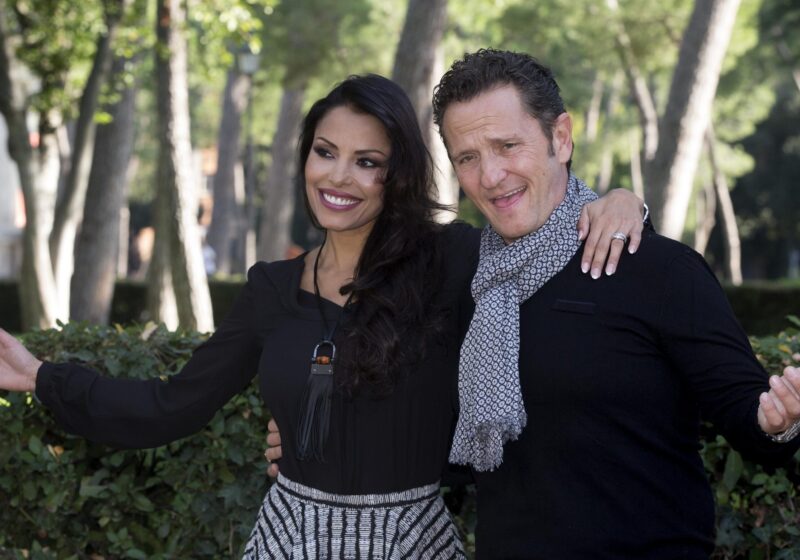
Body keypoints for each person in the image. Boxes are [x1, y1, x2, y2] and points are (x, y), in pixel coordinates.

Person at [0, 74, 644, 559]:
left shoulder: (452, 262)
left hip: (413, 542)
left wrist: (620, 200)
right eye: (325, 151)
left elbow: (547, 246)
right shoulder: (271, 289)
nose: (339, 177)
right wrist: (40, 377)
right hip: (286, 539)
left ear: (397, 176)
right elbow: (172, 406)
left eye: (368, 162)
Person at [265, 50, 800, 559]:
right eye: (468, 157)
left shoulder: (657, 270)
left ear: (560, 137)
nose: (490, 176)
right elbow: (436, 441)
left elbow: (751, 422)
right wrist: (316, 438)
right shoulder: (462, 278)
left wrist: (779, 420)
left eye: (507, 146)